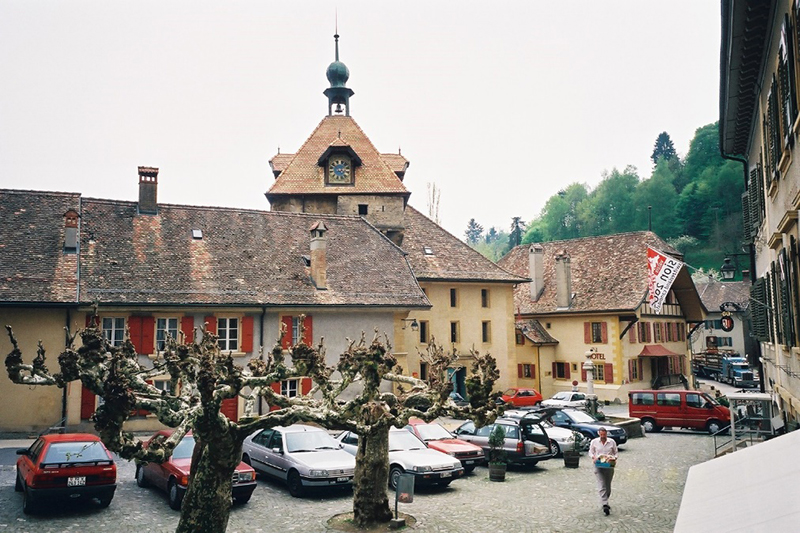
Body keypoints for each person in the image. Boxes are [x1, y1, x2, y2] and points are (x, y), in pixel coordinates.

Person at [589, 427, 618, 515]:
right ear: (599, 434)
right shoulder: (594, 442)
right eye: (601, 435)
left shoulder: (611, 442)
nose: (602, 436)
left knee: (607, 486)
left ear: (606, 434)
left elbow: (616, 453)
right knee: (601, 484)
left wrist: (614, 458)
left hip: (608, 465)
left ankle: (605, 499)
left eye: (604, 435)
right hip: (598, 465)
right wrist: (593, 457)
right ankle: (605, 504)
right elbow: (590, 452)